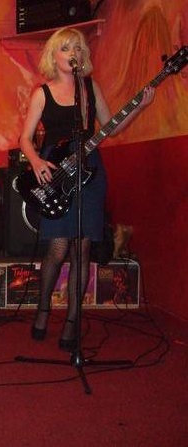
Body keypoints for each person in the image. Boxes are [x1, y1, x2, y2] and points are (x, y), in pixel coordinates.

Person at [19, 27, 155, 351]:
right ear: (54, 55)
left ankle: (72, 321)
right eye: (66, 48)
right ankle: (42, 311)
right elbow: (24, 138)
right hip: (57, 170)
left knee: (81, 248)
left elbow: (111, 127)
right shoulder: (42, 93)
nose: (73, 54)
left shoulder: (90, 88)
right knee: (57, 248)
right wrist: (36, 161)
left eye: (78, 48)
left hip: (90, 170)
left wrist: (139, 106)